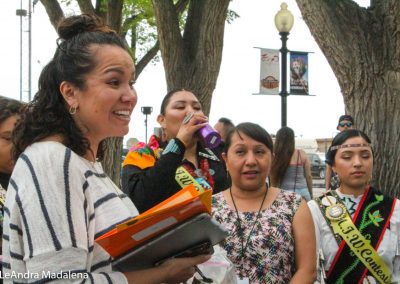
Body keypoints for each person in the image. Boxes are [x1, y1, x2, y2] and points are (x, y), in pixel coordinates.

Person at [3, 14, 209, 283]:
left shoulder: (83, 164)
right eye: (114, 82)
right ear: (70, 93)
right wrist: (161, 274)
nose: (130, 95)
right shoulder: (51, 161)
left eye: (131, 82)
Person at [212, 122, 316, 283]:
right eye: (240, 152)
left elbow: (307, 270)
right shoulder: (209, 208)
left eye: (260, 152)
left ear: (272, 158)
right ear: (225, 159)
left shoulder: (294, 205)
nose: (251, 161)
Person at [308, 129, 400, 283]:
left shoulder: (394, 209)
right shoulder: (315, 209)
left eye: (365, 156)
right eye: (347, 156)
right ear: (333, 166)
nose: (358, 163)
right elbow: (312, 270)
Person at [122, 89, 230, 213]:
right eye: (180, 107)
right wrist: (179, 143)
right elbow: (138, 203)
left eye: (196, 107)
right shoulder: (143, 153)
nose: (191, 112)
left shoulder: (219, 151)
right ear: (162, 120)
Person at [270, 126, 313, 201]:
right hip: (303, 194)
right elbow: (308, 176)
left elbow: (272, 180)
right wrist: (310, 193)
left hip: (284, 195)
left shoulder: (275, 156)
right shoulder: (301, 154)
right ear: (292, 139)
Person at [325, 114, 355, 191]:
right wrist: (327, 189)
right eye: (342, 124)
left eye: (348, 124)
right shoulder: (334, 144)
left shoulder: (359, 142)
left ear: (353, 127)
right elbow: (329, 167)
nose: (345, 126)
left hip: (355, 184)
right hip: (337, 186)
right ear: (338, 127)